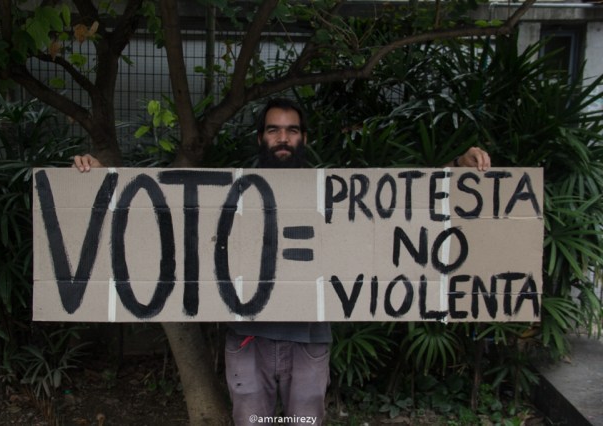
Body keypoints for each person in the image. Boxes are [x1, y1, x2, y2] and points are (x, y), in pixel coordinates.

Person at [73, 98, 490, 425]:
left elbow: (402, 204)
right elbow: (158, 213)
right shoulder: (226, 190)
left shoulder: (334, 192)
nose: (283, 138)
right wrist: (98, 175)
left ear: (304, 138)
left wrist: (457, 168)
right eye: (274, 130)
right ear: (261, 138)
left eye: (292, 130)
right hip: (247, 342)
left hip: (309, 342)